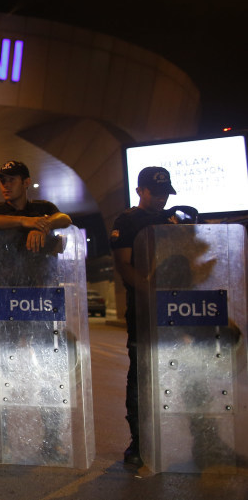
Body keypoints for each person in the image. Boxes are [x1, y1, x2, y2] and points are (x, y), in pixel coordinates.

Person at [109, 166, 177, 469]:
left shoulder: (172, 219)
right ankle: (139, 440)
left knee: (188, 374)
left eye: (165, 193)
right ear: (140, 191)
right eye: (155, 192)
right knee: (141, 374)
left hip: (178, 309)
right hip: (145, 309)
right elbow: (124, 265)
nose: (161, 198)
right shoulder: (127, 221)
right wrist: (151, 292)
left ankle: (203, 438)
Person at [0, 161, 72, 252]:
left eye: (12, 180)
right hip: (8, 267)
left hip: (40, 267)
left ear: (26, 182)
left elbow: (65, 218)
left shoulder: (42, 207)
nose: (6, 185)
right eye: (3, 181)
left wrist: (42, 227)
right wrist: (23, 221)